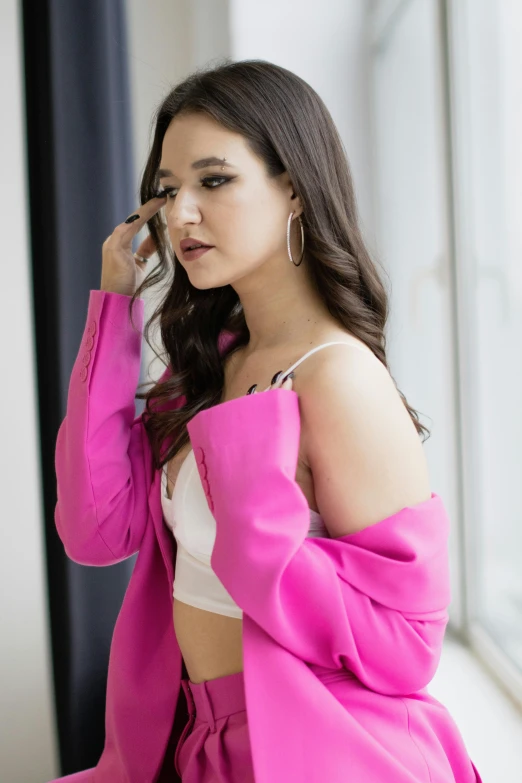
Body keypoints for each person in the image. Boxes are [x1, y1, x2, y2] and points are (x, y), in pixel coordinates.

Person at [50, 59, 482, 782]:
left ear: (293, 190)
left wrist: (262, 529)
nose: (182, 212)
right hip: (195, 744)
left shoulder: (338, 378)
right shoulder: (214, 363)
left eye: (214, 180)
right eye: (167, 189)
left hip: (319, 752)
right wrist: (116, 302)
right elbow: (94, 528)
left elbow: (409, 645)